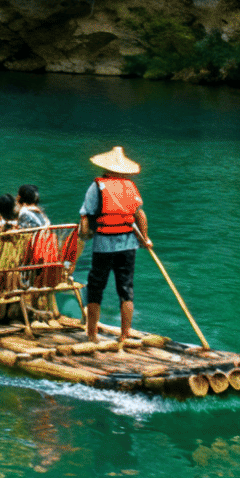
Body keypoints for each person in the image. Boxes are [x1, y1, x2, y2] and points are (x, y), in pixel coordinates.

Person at [79, 147, 149, 346]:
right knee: (126, 289)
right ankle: (125, 334)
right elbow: (140, 214)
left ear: (105, 168)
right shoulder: (130, 186)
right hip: (128, 244)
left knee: (96, 288)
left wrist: (84, 235)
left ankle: (91, 334)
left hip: (104, 244)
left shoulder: (97, 186)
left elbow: (85, 215)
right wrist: (145, 238)